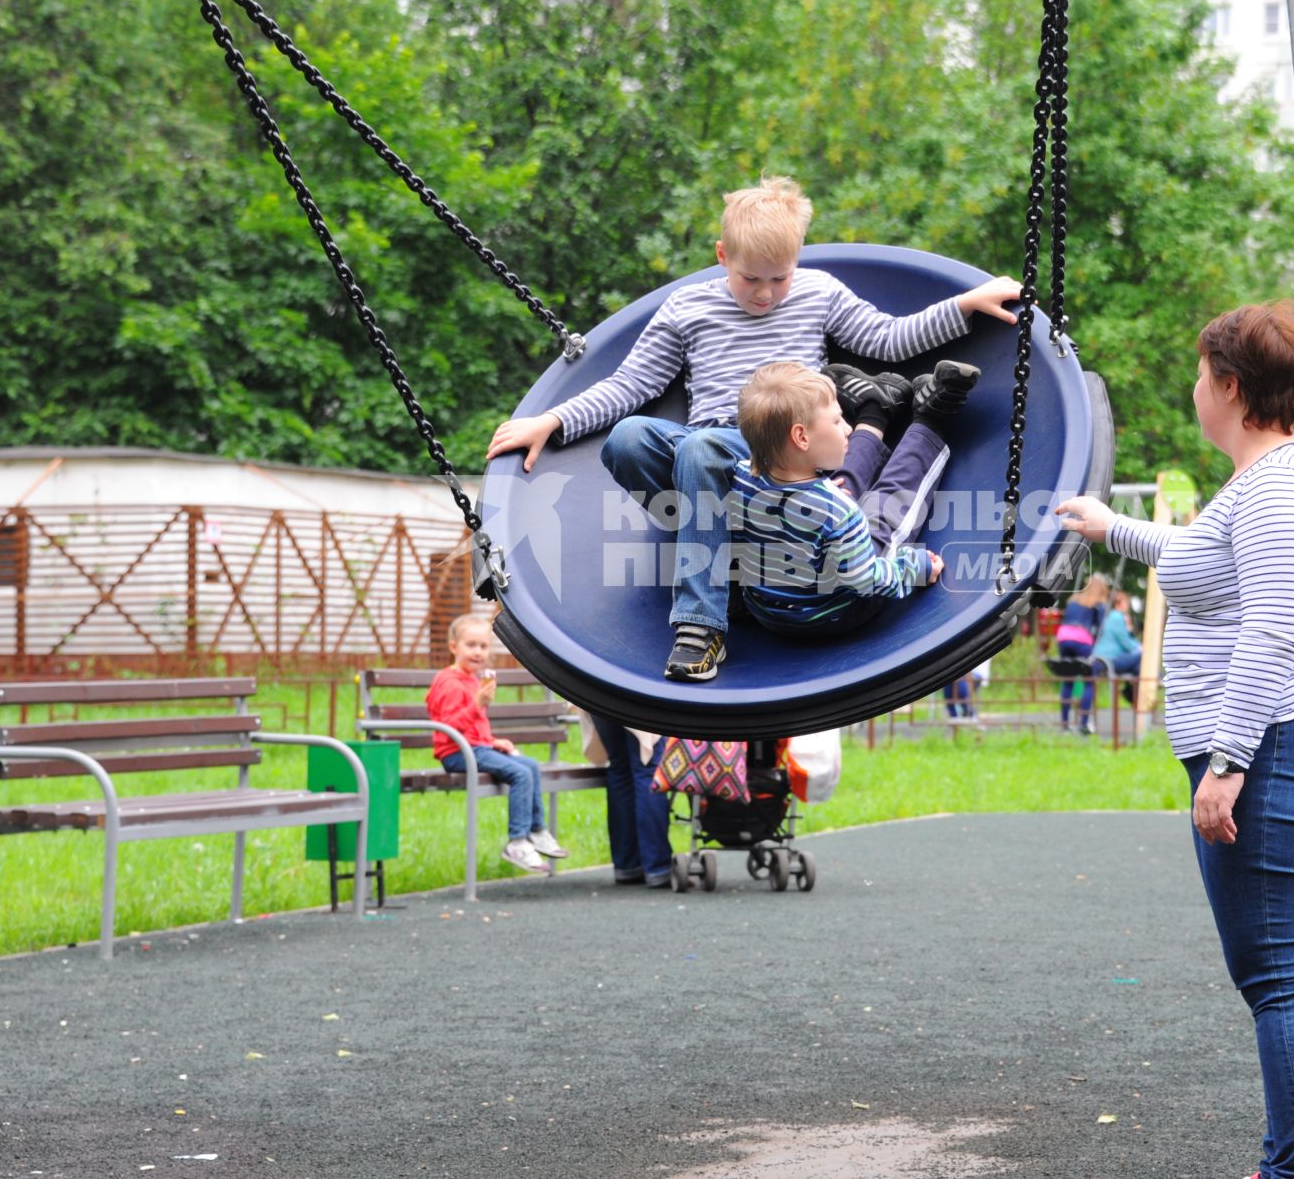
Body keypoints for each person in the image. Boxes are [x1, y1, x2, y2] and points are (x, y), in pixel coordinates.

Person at [486, 175, 1021, 682]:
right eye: (750, 279)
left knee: (701, 447)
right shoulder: (687, 308)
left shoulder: (817, 293)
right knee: (630, 439)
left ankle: (701, 627)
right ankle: (730, 562)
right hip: (711, 459)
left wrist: (963, 307)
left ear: (797, 263)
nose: (765, 295)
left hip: (779, 457)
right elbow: (631, 385)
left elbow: (887, 339)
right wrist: (554, 419)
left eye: (779, 278)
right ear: (723, 256)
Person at [1056, 300, 1294, 1179]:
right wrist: (1112, 528)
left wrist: (1226, 763)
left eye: (1198, 375)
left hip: (1273, 748)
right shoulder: (1262, 483)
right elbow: (1201, 557)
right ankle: (1290, 1162)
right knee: (1273, 971)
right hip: (1273, 746)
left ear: (1229, 386)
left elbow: (1270, 630)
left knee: (1281, 976)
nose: (1194, 391)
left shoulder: (1283, 490)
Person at [728, 359, 980, 633]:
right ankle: (931, 419)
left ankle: (876, 409)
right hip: (832, 614)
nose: (846, 427)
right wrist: (914, 568)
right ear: (801, 436)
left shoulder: (741, 477)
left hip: (765, 609)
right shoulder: (839, 512)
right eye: (837, 420)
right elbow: (866, 579)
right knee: (885, 516)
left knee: (837, 479)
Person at [425, 610, 570, 876]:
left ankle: (536, 831)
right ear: (453, 647)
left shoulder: (472, 679)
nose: (478, 652)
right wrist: (477, 704)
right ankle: (517, 841)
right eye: (471, 645)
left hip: (475, 748)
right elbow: (448, 729)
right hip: (456, 753)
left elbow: (474, 728)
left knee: (530, 765)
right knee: (520, 773)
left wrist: (493, 742)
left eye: (483, 646)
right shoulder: (448, 682)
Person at [584, 713, 673, 888]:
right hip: (637, 695)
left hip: (598, 692)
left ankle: (627, 864)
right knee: (648, 769)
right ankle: (657, 866)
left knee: (619, 767)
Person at [1055, 574, 1112, 734]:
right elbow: (1101, 627)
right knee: (1089, 680)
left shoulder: (1074, 599)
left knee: (1068, 680)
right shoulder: (1098, 603)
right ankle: (1083, 724)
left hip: (1063, 637)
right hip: (1081, 640)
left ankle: (1065, 725)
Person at [1091, 588, 1144, 696]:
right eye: (1126, 603)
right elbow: (1125, 642)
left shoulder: (1112, 617)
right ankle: (1137, 693)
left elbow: (1125, 640)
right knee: (1143, 655)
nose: (1127, 606)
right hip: (1108, 660)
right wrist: (1141, 648)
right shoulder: (1117, 617)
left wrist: (1129, 631)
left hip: (1106, 658)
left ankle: (1133, 694)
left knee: (1138, 668)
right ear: (1117, 604)